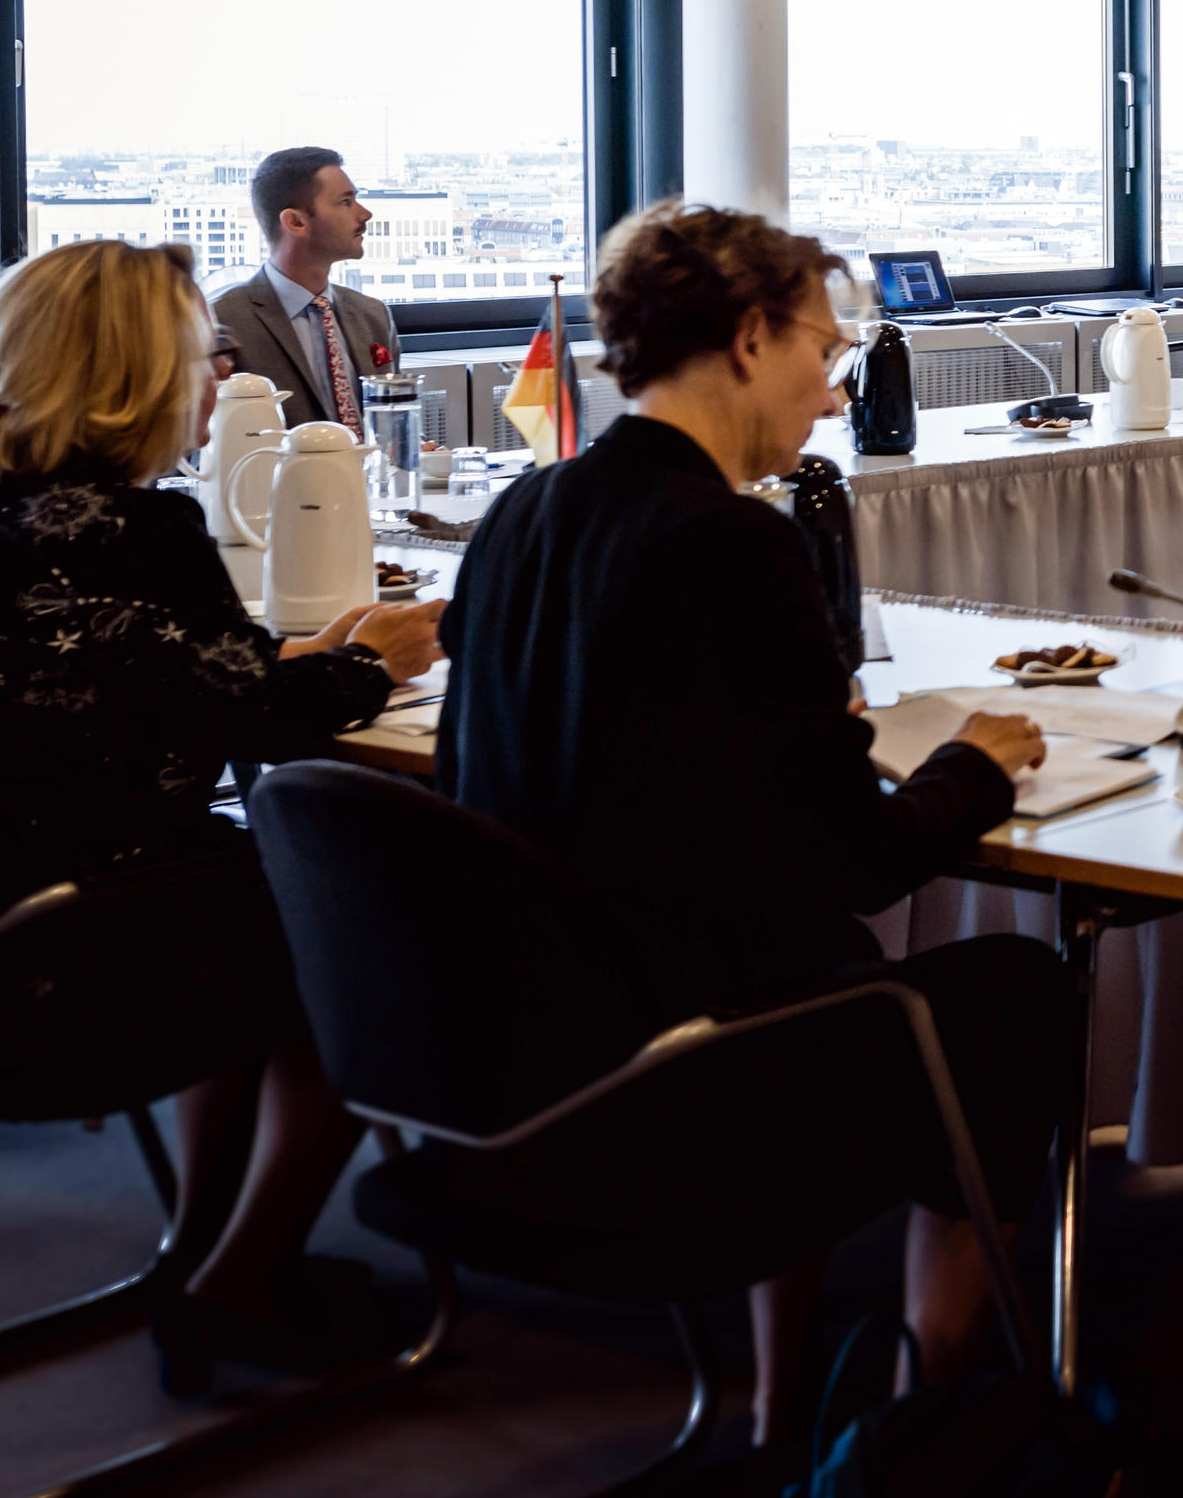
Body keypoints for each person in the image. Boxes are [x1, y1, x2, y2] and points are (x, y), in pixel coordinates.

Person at [439, 199, 1064, 1450]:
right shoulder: (731, 546)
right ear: (747, 339)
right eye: (822, 356)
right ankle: (922, 1409)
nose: (833, 397)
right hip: (686, 1069)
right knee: (1017, 994)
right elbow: (858, 863)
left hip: (518, 1050)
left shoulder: (525, 513)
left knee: (801, 956)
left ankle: (787, 1403)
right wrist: (974, 766)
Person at [0, 238, 443, 1383]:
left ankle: (203, 1247)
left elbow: (176, 680)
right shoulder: (133, 531)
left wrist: (290, 667)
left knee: (242, 896)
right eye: (200, 358)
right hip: (57, 951)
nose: (216, 380)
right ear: (135, 376)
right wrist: (377, 661)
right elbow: (265, 721)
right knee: (362, 933)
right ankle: (237, 1279)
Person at [209, 148, 397, 436]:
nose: (365, 214)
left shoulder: (373, 315)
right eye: (346, 202)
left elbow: (393, 422)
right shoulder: (223, 322)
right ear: (295, 222)